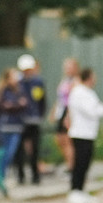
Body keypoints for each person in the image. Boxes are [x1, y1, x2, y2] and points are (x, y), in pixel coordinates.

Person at [62, 66, 103, 203]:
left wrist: (99, 108)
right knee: (80, 163)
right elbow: (93, 111)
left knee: (86, 162)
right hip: (80, 132)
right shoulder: (80, 92)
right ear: (88, 77)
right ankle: (75, 190)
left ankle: (81, 190)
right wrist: (100, 108)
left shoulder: (87, 93)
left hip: (88, 133)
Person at [15, 54, 48, 186]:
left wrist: (40, 115)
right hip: (21, 121)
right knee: (19, 150)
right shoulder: (17, 83)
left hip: (33, 121)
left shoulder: (38, 82)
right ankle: (20, 175)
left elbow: (41, 100)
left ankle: (35, 175)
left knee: (35, 149)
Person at [54, 58, 82, 178]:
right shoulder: (65, 80)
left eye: (70, 67)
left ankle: (72, 167)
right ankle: (69, 164)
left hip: (69, 112)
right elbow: (60, 98)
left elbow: (73, 99)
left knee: (67, 140)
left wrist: (68, 116)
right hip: (61, 111)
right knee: (60, 140)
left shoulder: (77, 81)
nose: (67, 69)